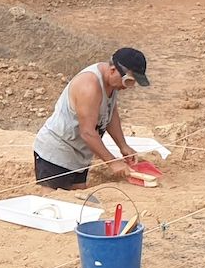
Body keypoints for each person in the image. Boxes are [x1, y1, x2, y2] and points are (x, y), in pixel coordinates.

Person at [32, 47, 151, 191]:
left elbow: (110, 113)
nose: (128, 87)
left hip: (79, 155)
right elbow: (87, 132)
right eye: (128, 82)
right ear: (113, 70)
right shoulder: (89, 87)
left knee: (79, 203)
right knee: (53, 206)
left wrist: (123, 146)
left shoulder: (111, 84)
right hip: (56, 153)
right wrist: (112, 162)